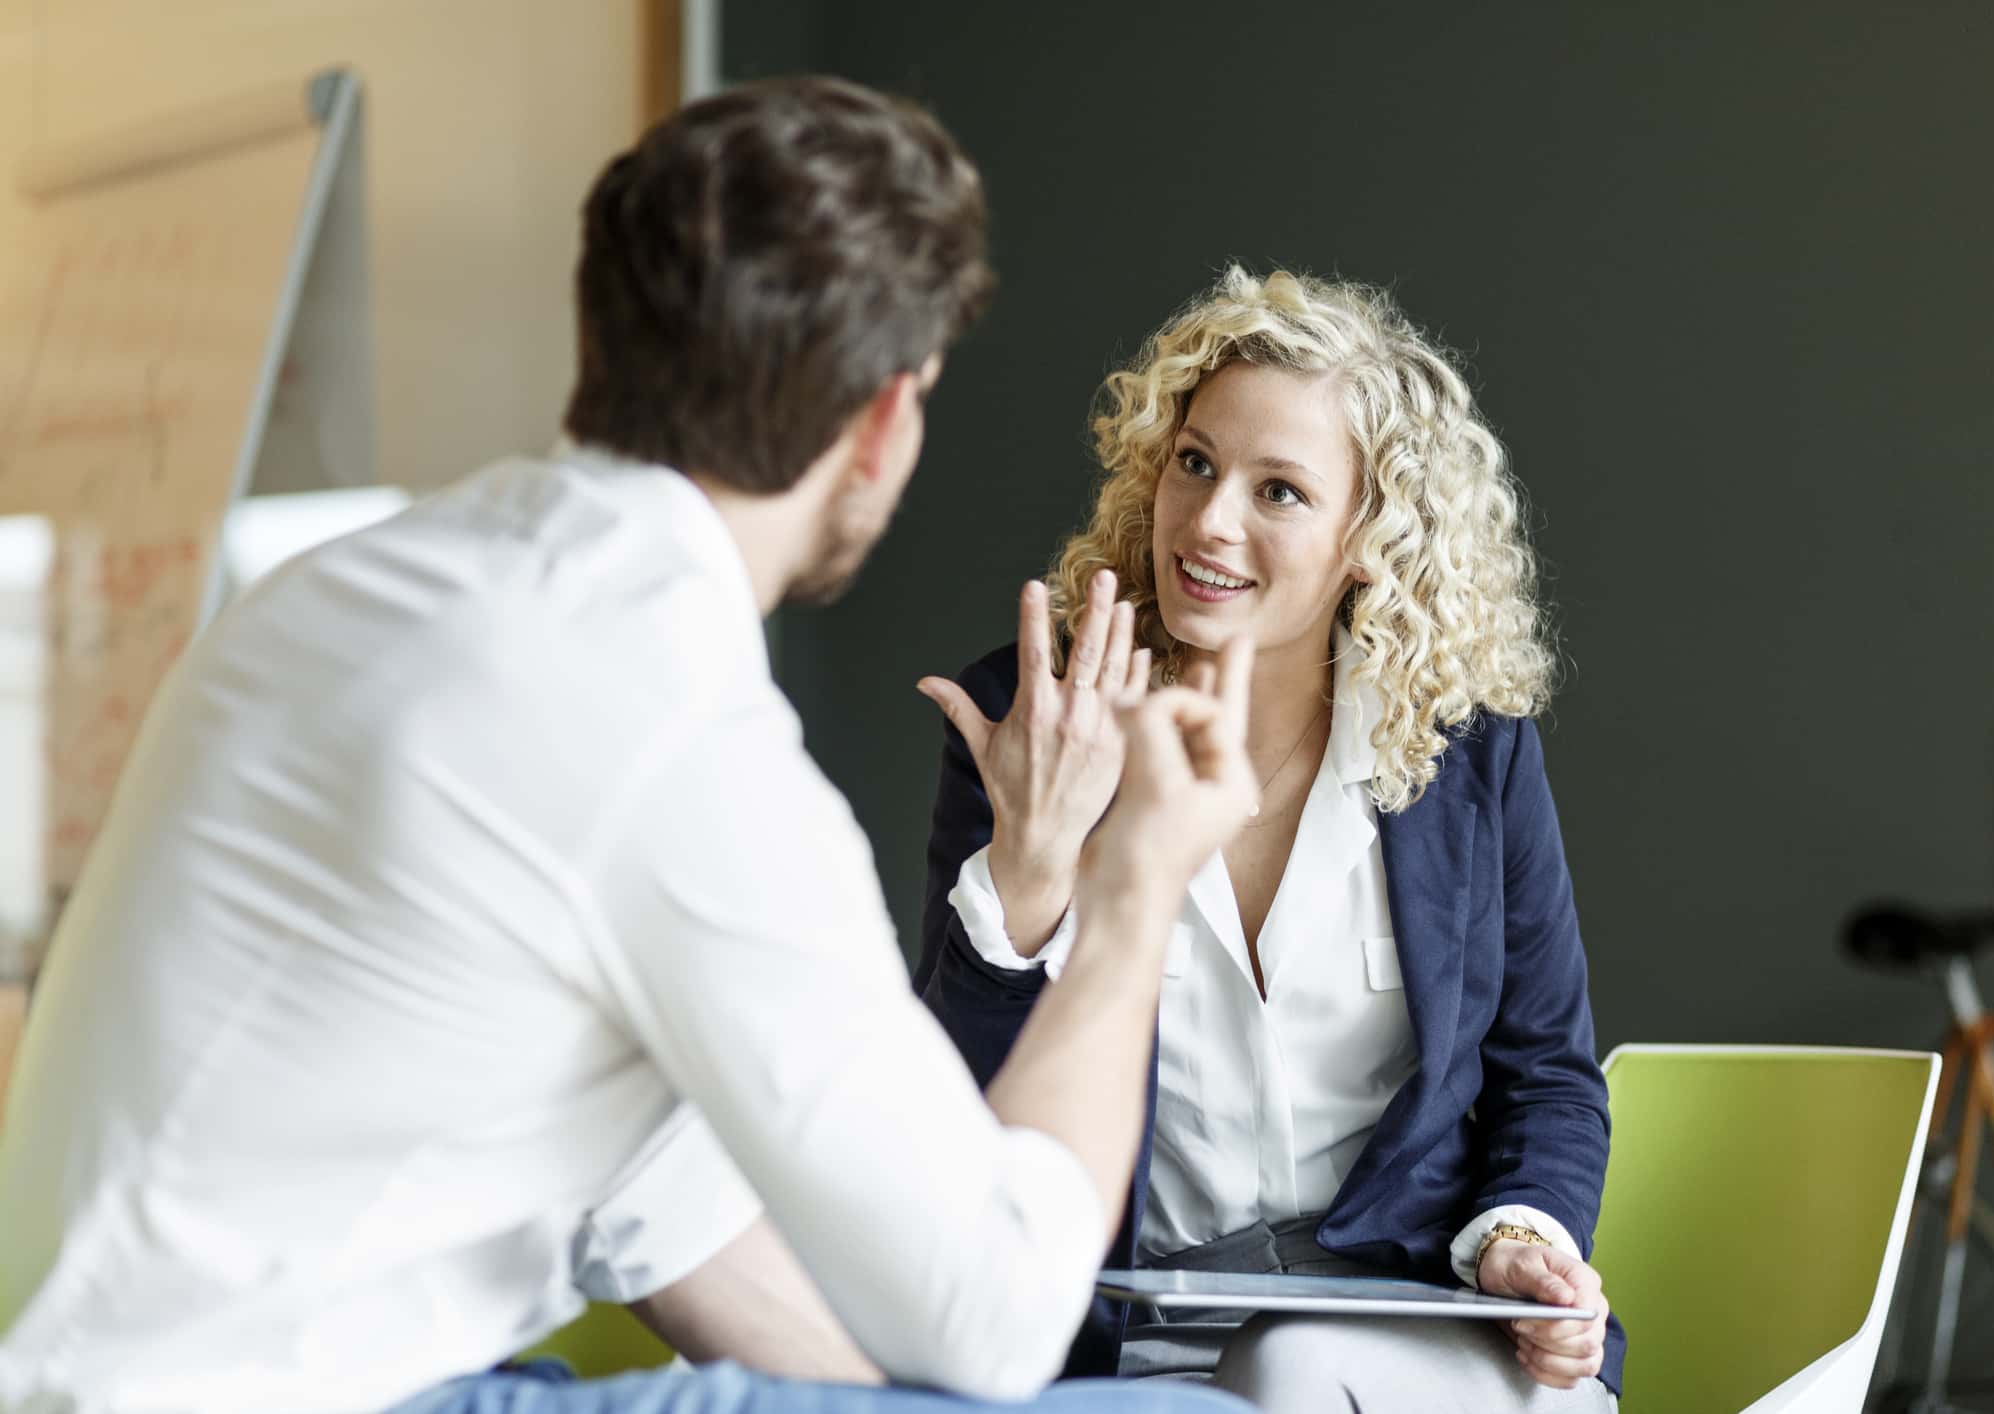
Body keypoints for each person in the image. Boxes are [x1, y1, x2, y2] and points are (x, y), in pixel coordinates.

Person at [0, 78, 1259, 1414]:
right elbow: (998, 1312)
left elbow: (660, 1206)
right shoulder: (668, 726)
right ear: (885, 421)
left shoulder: (343, 588)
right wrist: (1132, 886)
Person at [913, 266, 1623, 1412]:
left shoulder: (1469, 749)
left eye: (1279, 490)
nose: (1209, 521)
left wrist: (1522, 1240)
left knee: (1285, 1368)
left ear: (1368, 538)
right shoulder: (1039, 721)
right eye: (1195, 463)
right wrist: (1030, 877)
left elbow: (1544, 1071)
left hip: (1420, 1335)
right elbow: (955, 1117)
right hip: (1122, 1349)